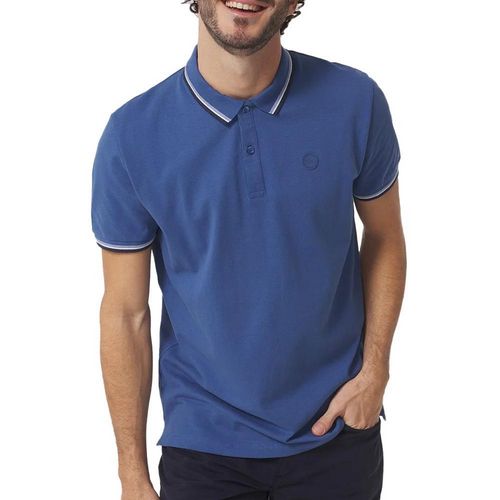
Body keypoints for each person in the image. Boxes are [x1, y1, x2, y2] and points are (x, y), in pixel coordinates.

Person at [90, 0, 407, 498]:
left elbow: (385, 235)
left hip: (337, 433)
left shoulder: (355, 102)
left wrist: (375, 372)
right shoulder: (132, 137)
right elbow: (126, 313)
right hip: (202, 449)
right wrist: (131, 473)